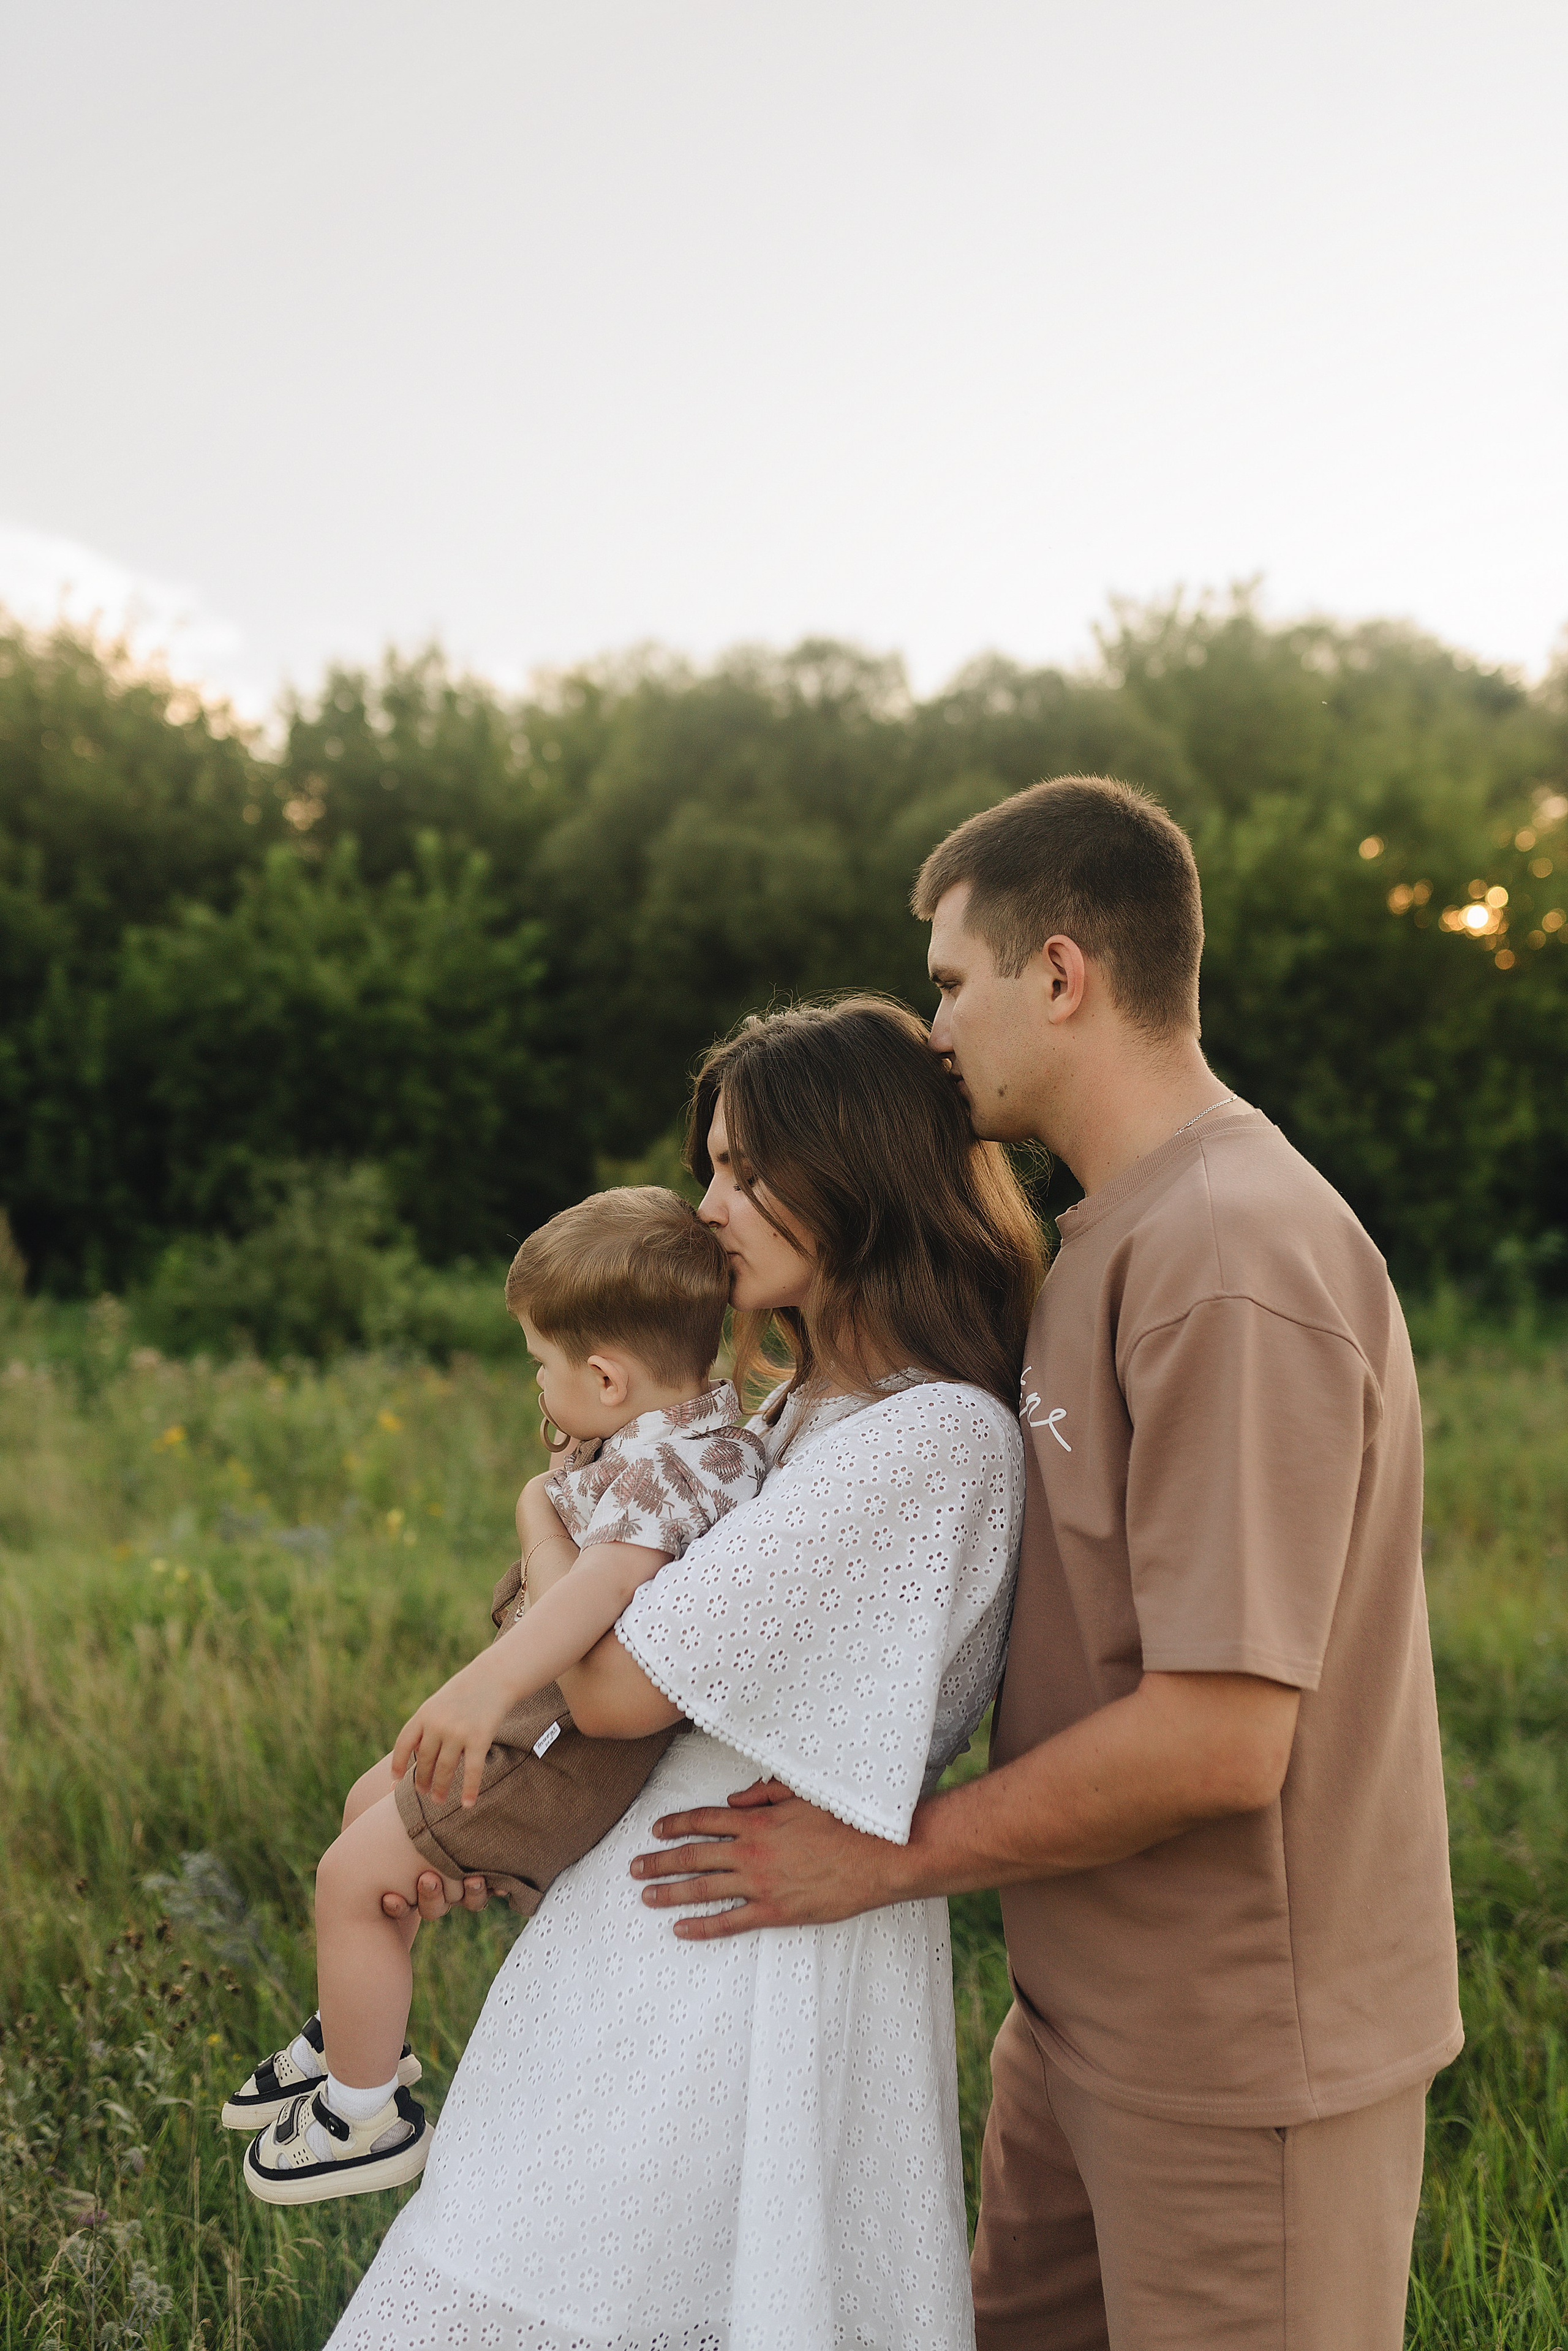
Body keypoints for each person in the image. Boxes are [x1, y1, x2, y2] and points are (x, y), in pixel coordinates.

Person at [632, 778, 1463, 2350]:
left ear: (1061, 973)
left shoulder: (1232, 1254)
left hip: (1238, 2069)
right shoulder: (1107, 1236)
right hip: (1080, 2023)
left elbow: (1221, 1736)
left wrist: (877, 1857)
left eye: (951, 983)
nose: (932, 1030)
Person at [325, 996, 1045, 2349]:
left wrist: (538, 1522)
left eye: (743, 1168)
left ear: (853, 1173)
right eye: (708, 1162)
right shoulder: (786, 1415)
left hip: (737, 1968)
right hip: (653, 1929)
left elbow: (613, 1691)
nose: (707, 1203)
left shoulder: (930, 1436)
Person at [225, 1185, 767, 2204]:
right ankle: (355, 2026)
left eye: (541, 1366)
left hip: (561, 1746)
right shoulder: (682, 1441)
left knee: (350, 1878)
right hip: (551, 1727)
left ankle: (364, 2113)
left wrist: (482, 1682)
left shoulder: (669, 1475)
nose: (538, 1388)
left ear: (606, 1375)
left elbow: (590, 1601)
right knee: (365, 1808)